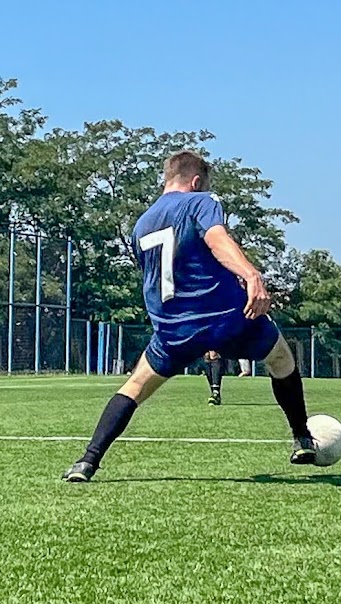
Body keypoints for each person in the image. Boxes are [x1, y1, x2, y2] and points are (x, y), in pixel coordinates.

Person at [63, 151, 316, 482]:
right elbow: (217, 239)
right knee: (281, 358)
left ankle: (87, 461)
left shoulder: (142, 224)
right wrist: (251, 274)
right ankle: (301, 436)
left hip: (173, 329)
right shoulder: (201, 201)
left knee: (135, 385)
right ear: (196, 181)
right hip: (224, 317)